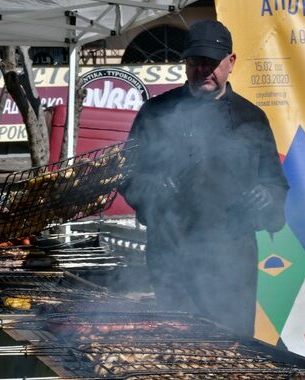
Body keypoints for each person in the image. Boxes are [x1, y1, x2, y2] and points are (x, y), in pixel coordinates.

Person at [121, 20, 289, 338]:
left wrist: (267, 196)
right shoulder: (156, 112)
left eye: (212, 63)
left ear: (231, 62)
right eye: (196, 63)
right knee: (182, 350)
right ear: (186, 64)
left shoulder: (250, 117)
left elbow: (275, 182)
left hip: (232, 262)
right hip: (172, 259)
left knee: (233, 350)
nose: (203, 71)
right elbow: (127, 176)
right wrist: (152, 189)